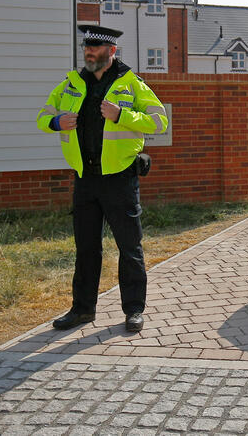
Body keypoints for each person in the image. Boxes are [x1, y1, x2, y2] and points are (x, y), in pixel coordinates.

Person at [36, 25, 168, 332]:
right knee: (86, 248)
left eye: (94, 49)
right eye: (85, 49)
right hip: (86, 179)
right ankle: (82, 310)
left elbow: (159, 121)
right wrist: (56, 122)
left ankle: (134, 309)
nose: (88, 53)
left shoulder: (131, 84)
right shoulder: (70, 84)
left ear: (111, 51)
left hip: (120, 178)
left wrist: (122, 115)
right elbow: (42, 116)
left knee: (129, 246)